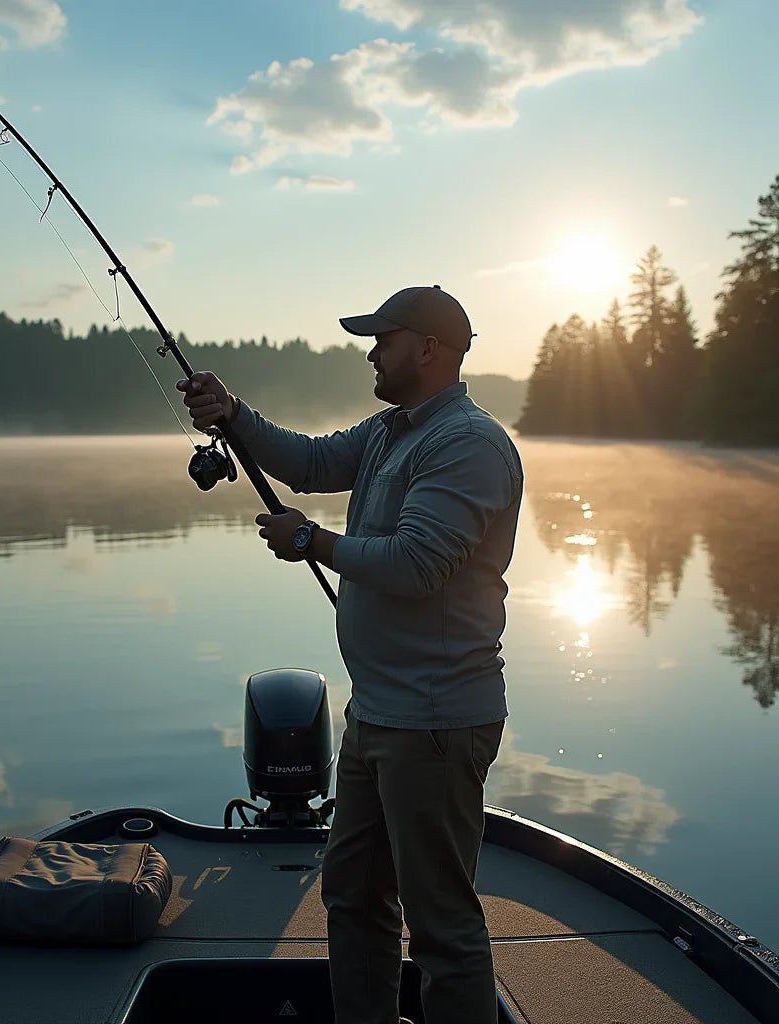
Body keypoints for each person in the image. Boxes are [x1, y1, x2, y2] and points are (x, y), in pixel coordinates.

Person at [176, 285, 523, 1024]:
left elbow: (418, 563)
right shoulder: (392, 430)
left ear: (427, 348)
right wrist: (233, 416)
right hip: (376, 715)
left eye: (382, 340)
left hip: (434, 723)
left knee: (441, 926)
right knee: (355, 897)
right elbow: (308, 463)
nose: (371, 353)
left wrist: (311, 540)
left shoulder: (468, 443)